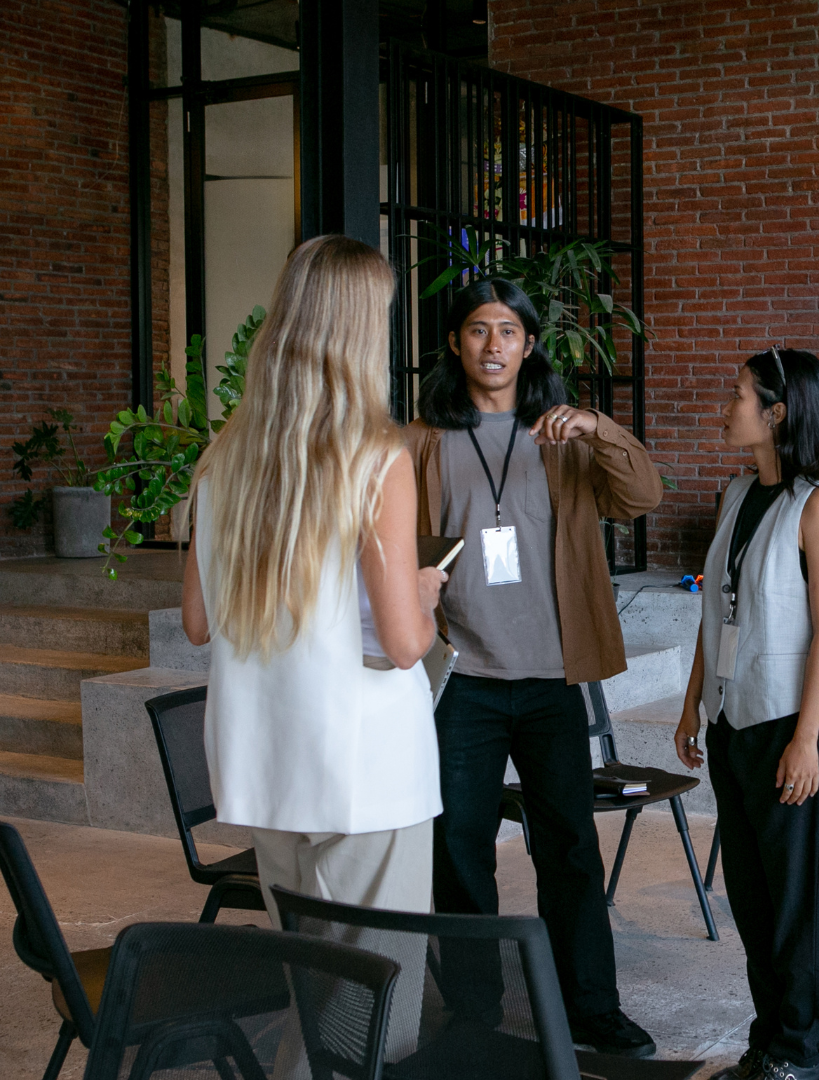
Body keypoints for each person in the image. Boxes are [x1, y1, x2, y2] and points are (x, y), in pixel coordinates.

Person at [403, 277, 663, 1057]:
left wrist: (598, 426)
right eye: (478, 330)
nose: (493, 345)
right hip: (464, 682)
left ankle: (592, 1006)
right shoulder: (421, 441)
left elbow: (642, 495)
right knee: (460, 851)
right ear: (455, 343)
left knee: (570, 848)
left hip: (551, 679)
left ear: (528, 344)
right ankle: (476, 1012)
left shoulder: (564, 434)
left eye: (508, 331)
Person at [181, 234, 445, 926]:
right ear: (364, 330)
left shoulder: (224, 459)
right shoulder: (376, 458)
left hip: (268, 755)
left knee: (311, 978)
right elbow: (404, 645)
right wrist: (420, 597)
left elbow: (197, 623)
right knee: (374, 999)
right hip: (367, 763)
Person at [675, 348, 819, 1080]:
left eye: (739, 395)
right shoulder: (736, 493)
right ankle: (769, 1040)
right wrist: (693, 700)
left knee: (797, 905)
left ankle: (801, 1055)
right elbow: (715, 612)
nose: (728, 406)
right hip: (734, 717)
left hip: (795, 722)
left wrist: (809, 739)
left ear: (776, 412)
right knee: (752, 897)